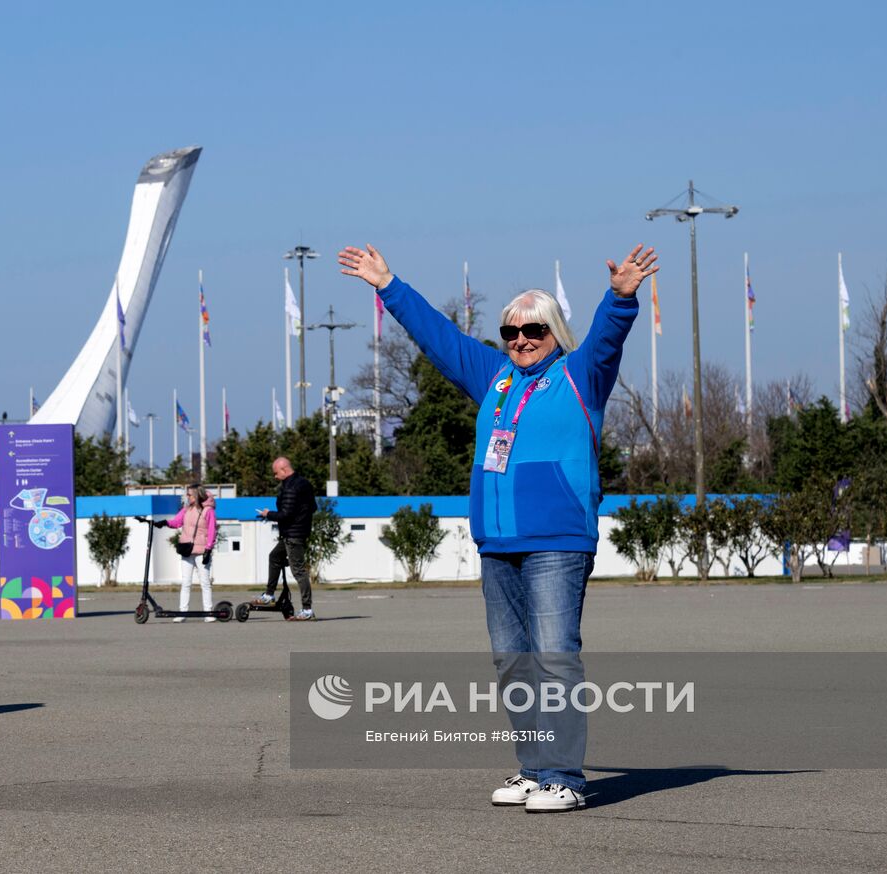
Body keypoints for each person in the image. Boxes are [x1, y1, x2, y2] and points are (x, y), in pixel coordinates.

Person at [339, 242, 657, 812]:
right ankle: (534, 769)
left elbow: (608, 340)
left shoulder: (581, 376)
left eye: (532, 329)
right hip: (497, 543)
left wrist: (620, 298)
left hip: (557, 541)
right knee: (512, 659)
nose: (521, 341)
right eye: (510, 332)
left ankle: (565, 776)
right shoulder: (496, 379)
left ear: (555, 330)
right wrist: (389, 286)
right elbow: (441, 339)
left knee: (555, 654)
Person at [256, 456, 317, 620]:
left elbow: (285, 514)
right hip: (295, 532)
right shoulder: (305, 483)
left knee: (298, 570)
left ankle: (307, 609)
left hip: (293, 534)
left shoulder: (291, 487)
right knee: (274, 556)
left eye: (276, 473)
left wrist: (267, 514)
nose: (275, 477)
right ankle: (269, 594)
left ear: (284, 469)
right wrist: (301, 519)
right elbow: (313, 507)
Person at [155, 484, 218, 622]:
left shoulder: (208, 511)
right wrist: (165, 522)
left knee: (205, 582)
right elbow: (177, 522)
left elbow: (212, 530)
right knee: (186, 583)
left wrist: (208, 548)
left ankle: (208, 612)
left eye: (189, 495)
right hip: (187, 550)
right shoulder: (186, 509)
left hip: (202, 551)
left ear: (197, 495)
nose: (187, 497)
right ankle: (182, 612)